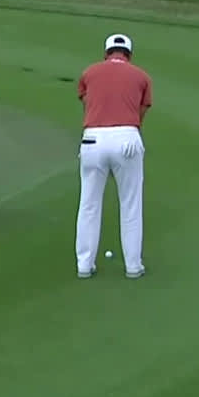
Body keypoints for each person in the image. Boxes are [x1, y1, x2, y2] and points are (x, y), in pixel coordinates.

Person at [74, 33, 151, 280]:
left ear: (106, 52)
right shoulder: (141, 76)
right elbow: (141, 111)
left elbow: (87, 104)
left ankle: (84, 265)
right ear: (129, 54)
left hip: (92, 138)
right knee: (130, 205)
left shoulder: (89, 72)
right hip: (127, 136)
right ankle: (132, 266)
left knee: (88, 204)